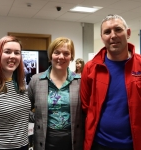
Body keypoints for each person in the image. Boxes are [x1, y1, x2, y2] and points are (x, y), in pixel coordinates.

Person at [80, 14, 141, 150]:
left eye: (118, 29)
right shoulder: (91, 68)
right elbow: (85, 106)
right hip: (99, 144)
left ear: (128, 33)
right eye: (107, 32)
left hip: (134, 144)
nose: (113, 35)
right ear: (102, 38)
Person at [28, 37, 84, 150]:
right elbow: (26, 108)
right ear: (50, 55)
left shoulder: (80, 82)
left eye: (66, 53)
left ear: (71, 56)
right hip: (44, 140)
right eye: (57, 52)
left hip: (73, 140)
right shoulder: (36, 80)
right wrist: (39, 118)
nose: (61, 57)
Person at [0, 35, 31, 150]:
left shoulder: (21, 85)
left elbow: (23, 115)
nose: (12, 56)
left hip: (23, 146)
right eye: (7, 52)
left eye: (17, 53)